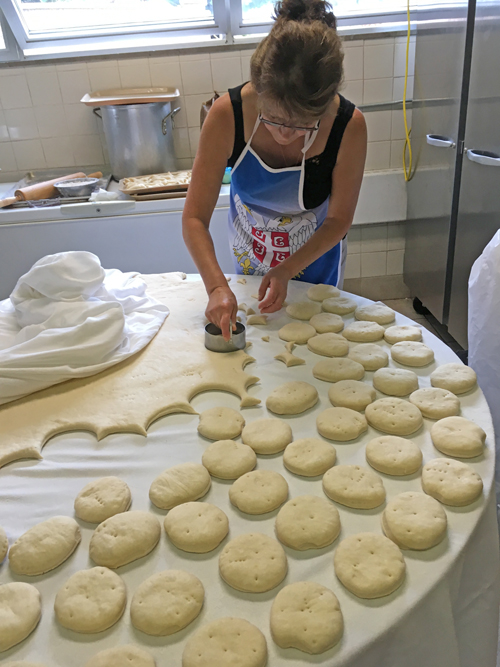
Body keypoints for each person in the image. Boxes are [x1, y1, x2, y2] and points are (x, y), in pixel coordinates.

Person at [182, 0, 367, 340]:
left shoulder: (348, 127)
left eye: (301, 126)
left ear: (325, 107)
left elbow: (339, 220)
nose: (284, 135)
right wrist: (216, 288)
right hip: (250, 268)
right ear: (260, 92)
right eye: (273, 119)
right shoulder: (227, 116)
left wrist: (286, 271)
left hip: (317, 273)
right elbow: (194, 219)